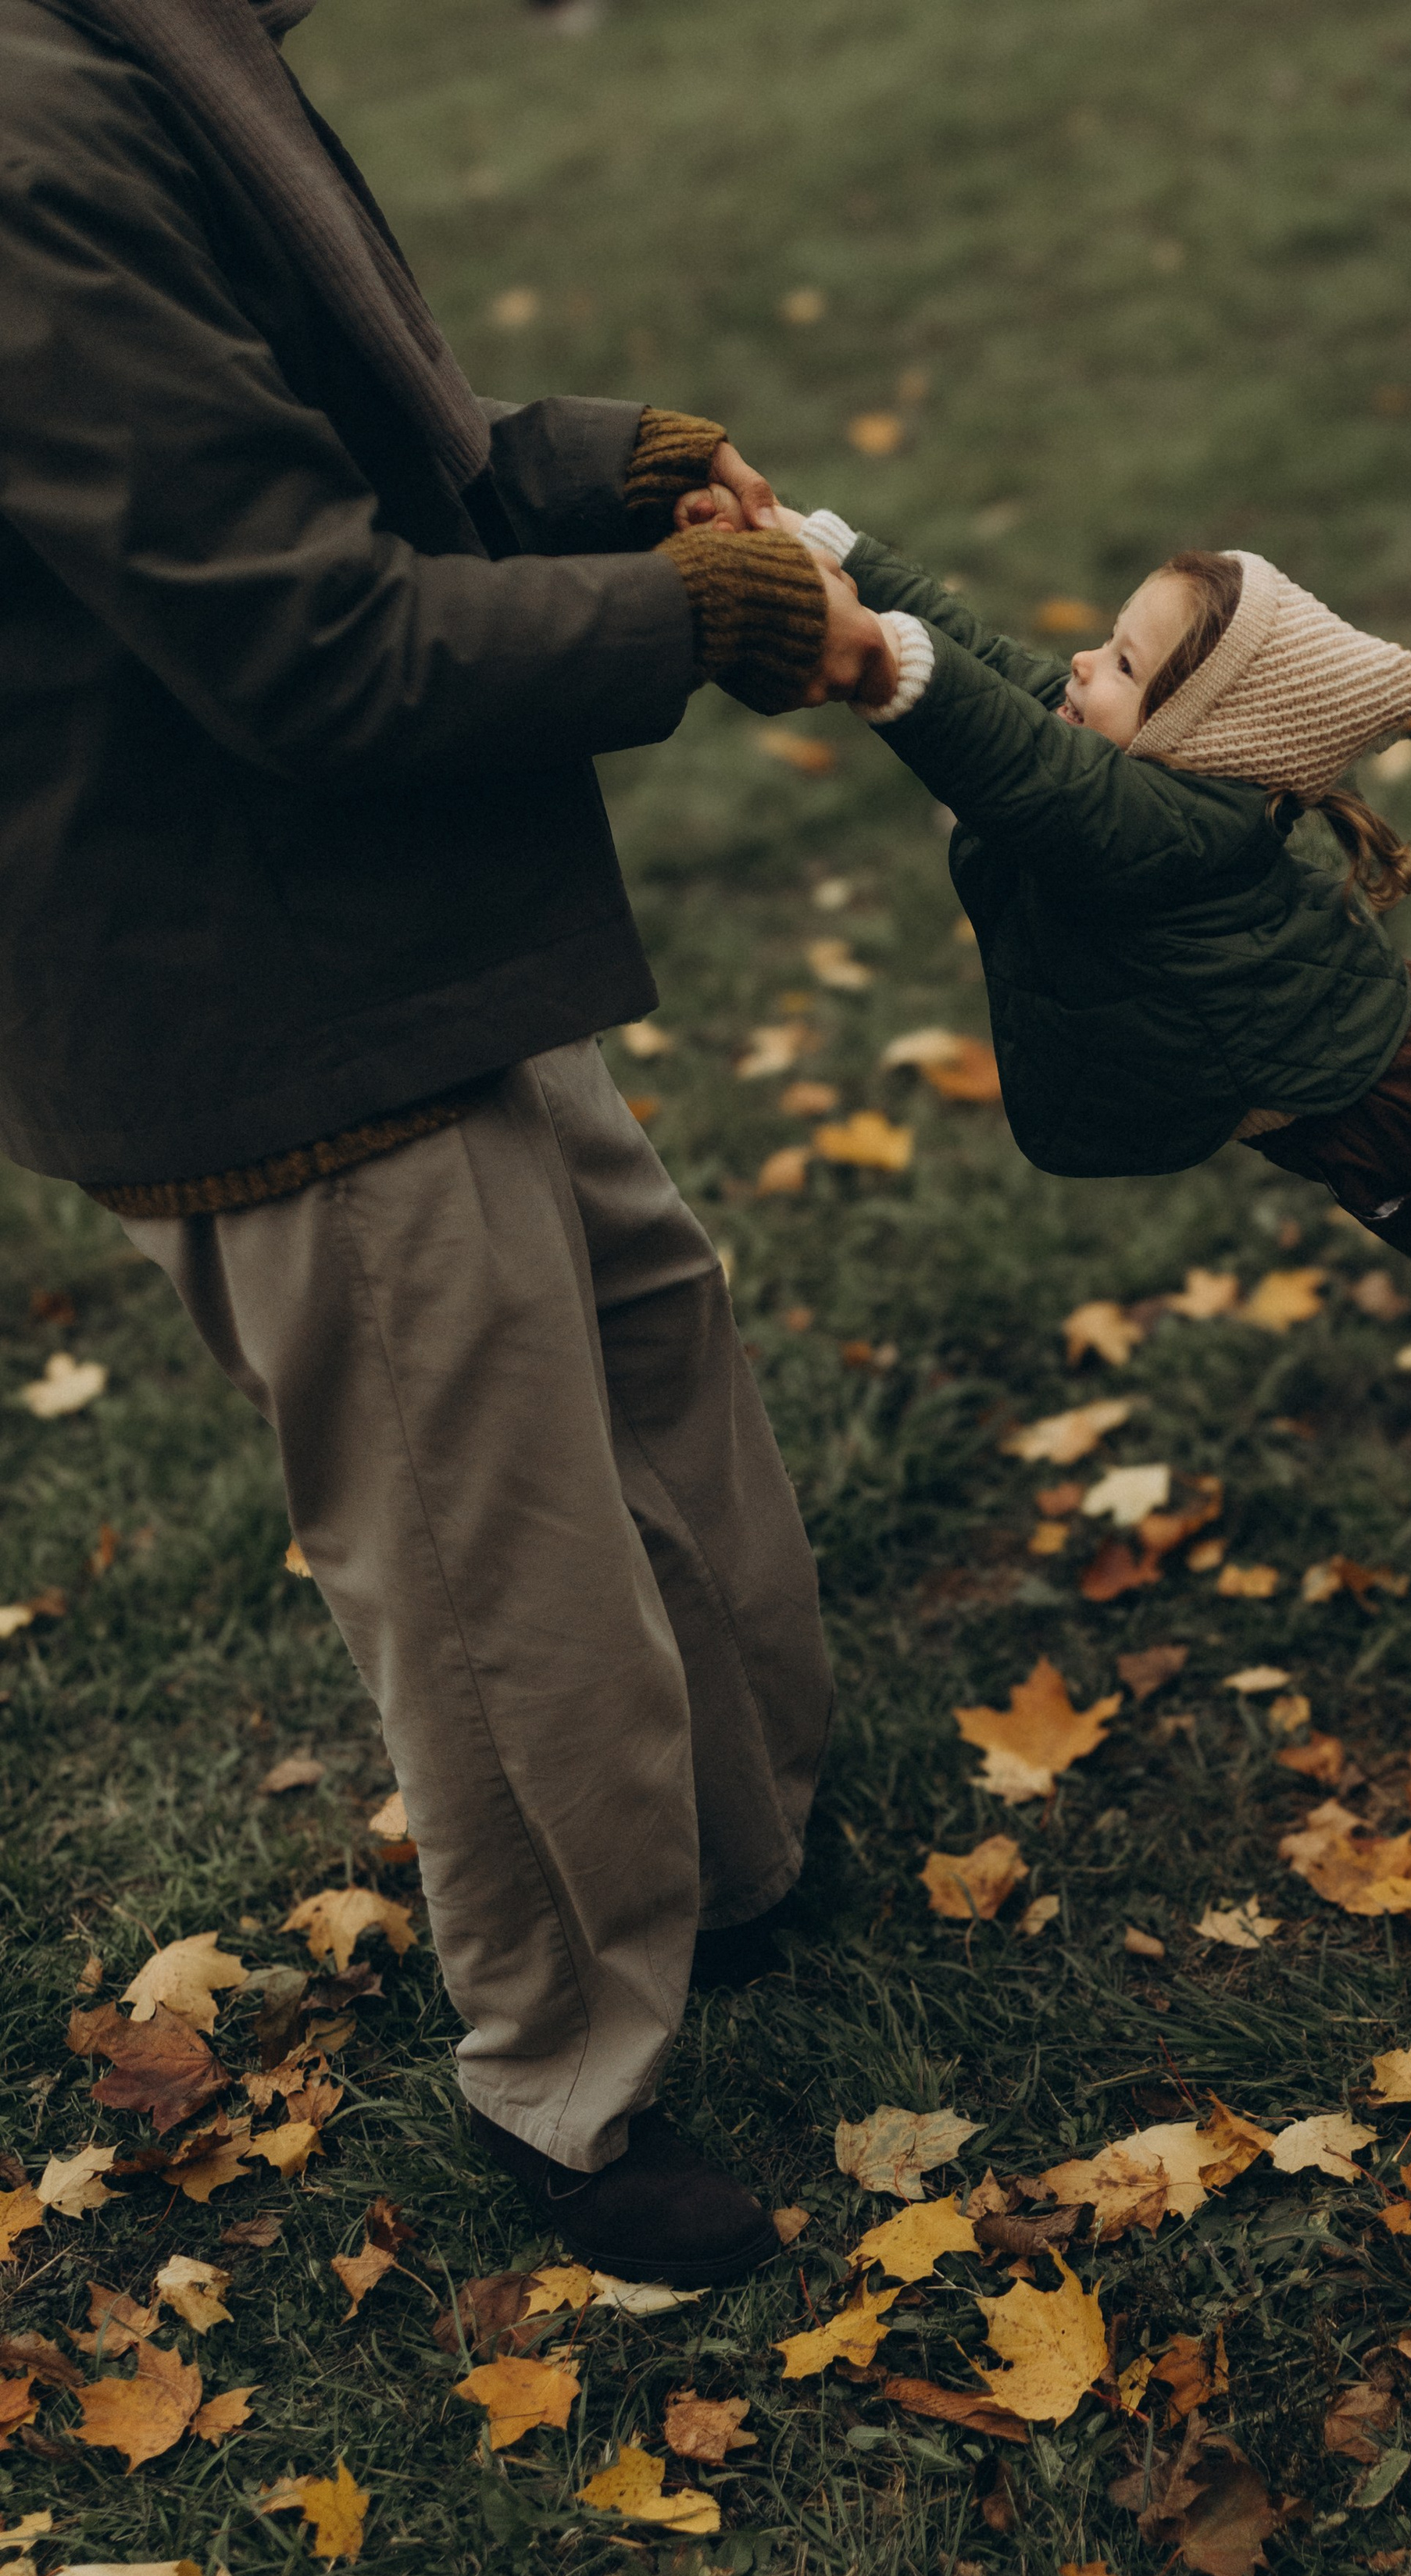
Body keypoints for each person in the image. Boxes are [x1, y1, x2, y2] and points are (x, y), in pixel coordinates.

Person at [0, 0, 888, 2282]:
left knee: (648, 1344)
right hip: (257, 963)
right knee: (500, 1562)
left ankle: (741, 1863)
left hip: (410, 907)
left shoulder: (154, 44)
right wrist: (690, 614)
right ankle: (567, 2085)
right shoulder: (26, 130)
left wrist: (603, 463)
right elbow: (306, 638)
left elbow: (347, 459)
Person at [699, 502, 1411, 1507]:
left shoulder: (1152, 823)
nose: (1082, 667)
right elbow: (1003, 672)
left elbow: (1017, 768)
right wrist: (825, 548)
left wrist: (880, 665)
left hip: (1397, 1107)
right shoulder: (1171, 773)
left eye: (1123, 667)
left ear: (1203, 735)